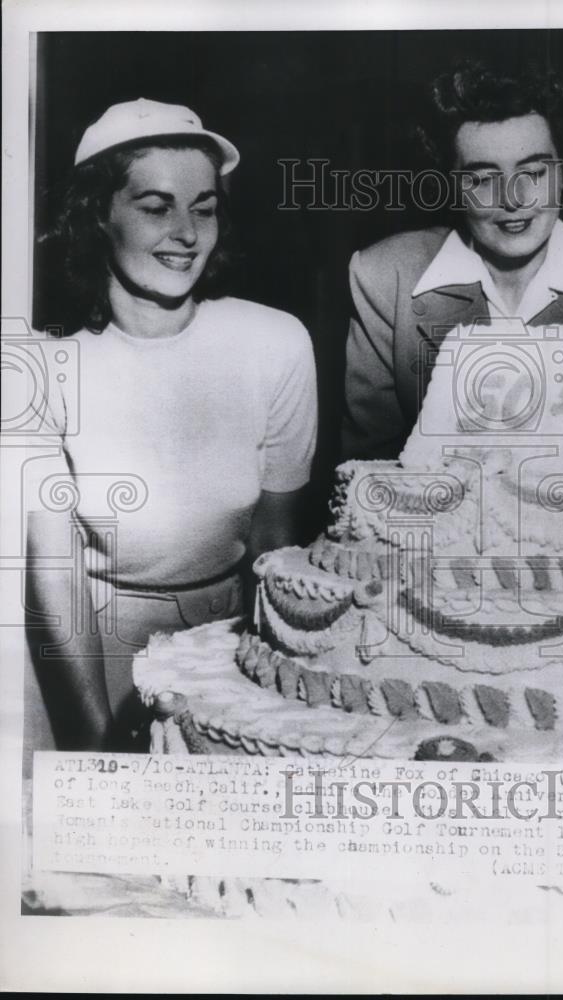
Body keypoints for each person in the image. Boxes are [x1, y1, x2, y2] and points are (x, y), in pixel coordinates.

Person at [25, 99, 317, 751]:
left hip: (224, 639)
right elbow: (55, 581)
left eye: (204, 207)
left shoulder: (275, 343)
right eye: (156, 206)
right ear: (98, 213)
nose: (186, 232)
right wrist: (101, 749)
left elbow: (276, 546)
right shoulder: (39, 369)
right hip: (80, 652)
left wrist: (258, 704)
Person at [342, 61, 563, 461]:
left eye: (535, 172)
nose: (514, 198)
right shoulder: (386, 278)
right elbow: (367, 477)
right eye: (483, 179)